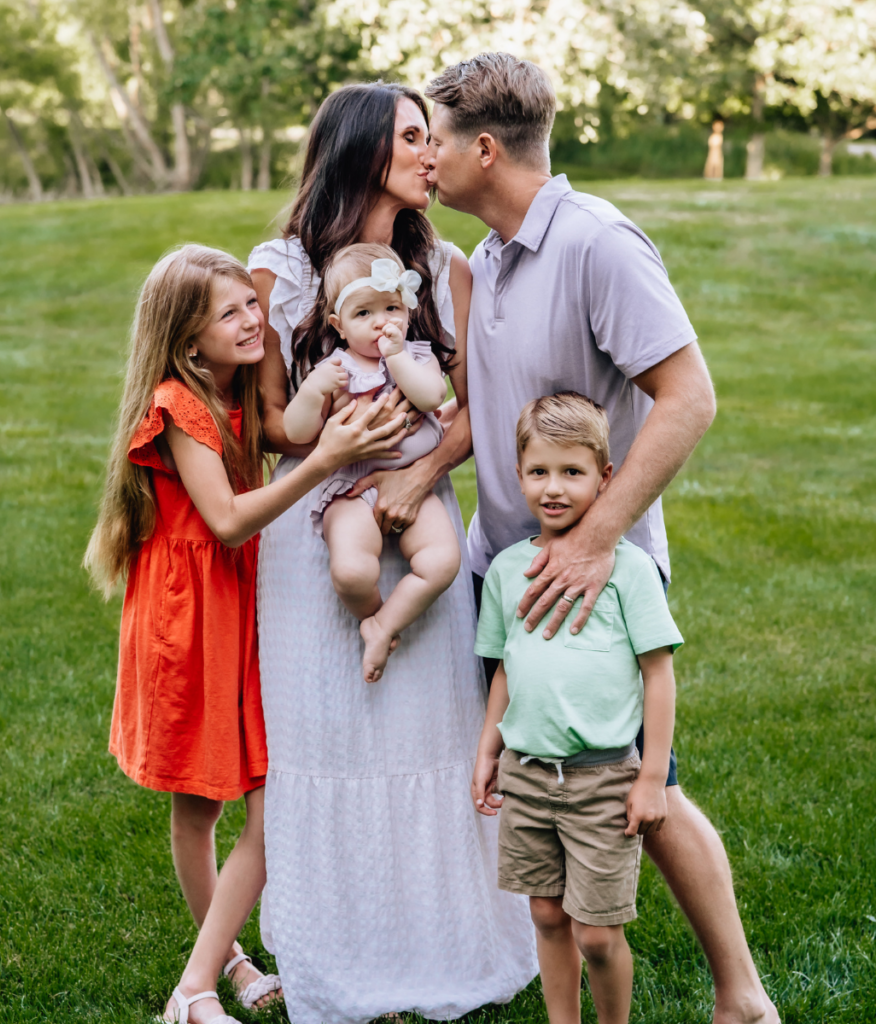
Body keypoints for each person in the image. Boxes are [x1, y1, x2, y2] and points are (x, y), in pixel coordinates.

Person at [422, 52, 779, 1024]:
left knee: (641, 785)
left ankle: (742, 996)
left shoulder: (596, 244)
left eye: (435, 138)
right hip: (514, 578)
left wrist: (595, 540)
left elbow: (689, 396)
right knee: (556, 774)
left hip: (593, 579)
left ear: (482, 149)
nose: (426, 159)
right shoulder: (489, 257)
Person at [248, 82, 537, 1024]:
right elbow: (265, 428)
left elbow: (472, 406)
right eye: (414, 136)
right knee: (327, 736)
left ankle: (439, 938)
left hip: (420, 517)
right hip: (317, 525)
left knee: (427, 732)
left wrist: (413, 479)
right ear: (367, 149)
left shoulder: (446, 264)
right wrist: (337, 449)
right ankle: (338, 945)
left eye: (433, 135)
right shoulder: (281, 270)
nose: (432, 151)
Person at [83, 244, 407, 1024]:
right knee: (200, 805)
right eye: (228, 313)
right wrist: (326, 455)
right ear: (187, 338)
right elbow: (226, 521)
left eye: (250, 304)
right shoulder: (179, 406)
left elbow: (286, 436)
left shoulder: (234, 394)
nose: (251, 318)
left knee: (267, 799)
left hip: (235, 606)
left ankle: (200, 979)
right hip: (187, 619)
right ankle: (217, 968)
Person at [473, 392, 683, 1024]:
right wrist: (489, 751)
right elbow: (504, 667)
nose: (554, 488)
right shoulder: (509, 570)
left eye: (572, 472)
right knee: (544, 912)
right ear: (519, 476)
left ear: (605, 476)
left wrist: (651, 777)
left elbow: (659, 674)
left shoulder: (629, 570)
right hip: (529, 775)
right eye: (539, 472)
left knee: (596, 931)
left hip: (605, 780)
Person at [284, 243, 460, 682]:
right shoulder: (336, 368)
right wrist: (311, 392)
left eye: (391, 308)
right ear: (338, 326)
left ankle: (385, 625)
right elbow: (297, 432)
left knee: (442, 562)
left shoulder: (417, 357)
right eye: (364, 314)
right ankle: (370, 612)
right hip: (351, 489)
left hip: (413, 483)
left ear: (408, 310)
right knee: (352, 569)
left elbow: (431, 397)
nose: (382, 322)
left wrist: (398, 357)